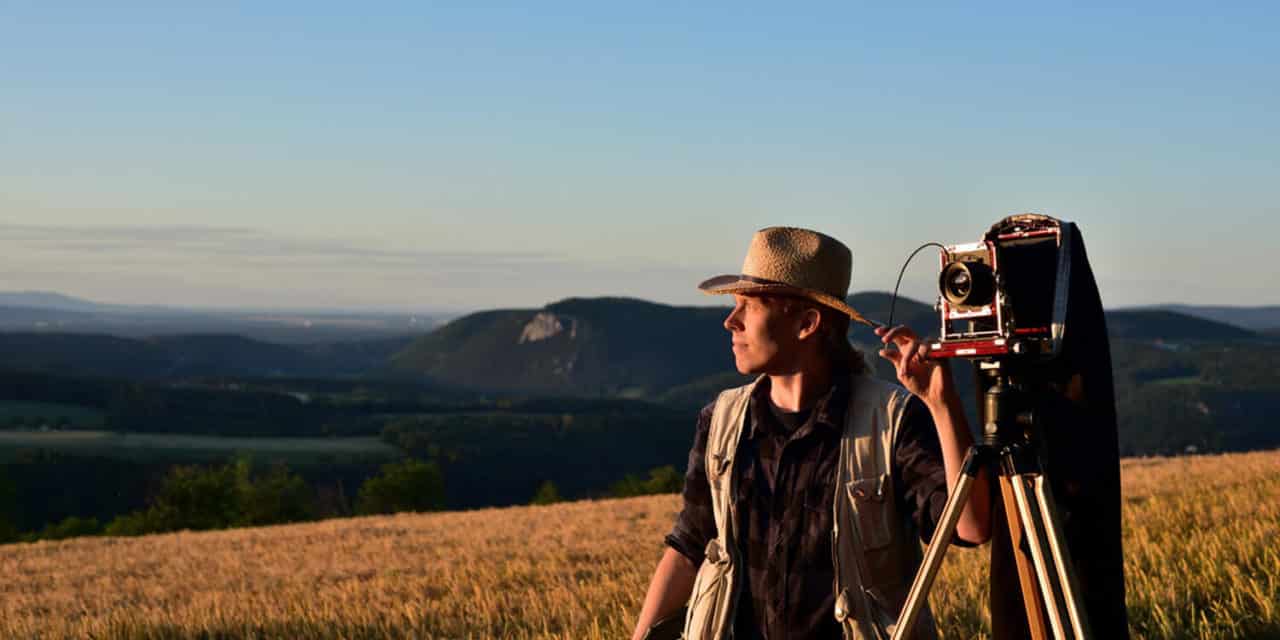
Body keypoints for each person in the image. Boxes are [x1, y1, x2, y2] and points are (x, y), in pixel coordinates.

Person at [630, 226, 991, 640]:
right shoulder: (720, 420)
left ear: (807, 323)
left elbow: (971, 527)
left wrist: (941, 405)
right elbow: (689, 547)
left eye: (749, 306)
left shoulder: (892, 419)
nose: (731, 321)